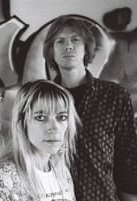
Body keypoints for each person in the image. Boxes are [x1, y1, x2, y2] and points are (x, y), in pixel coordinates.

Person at [43, 15, 137, 201]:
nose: (68, 46)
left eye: (75, 40)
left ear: (86, 48)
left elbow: (127, 159)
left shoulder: (115, 96)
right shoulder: (41, 101)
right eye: (60, 41)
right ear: (51, 51)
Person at [0, 79, 81, 201]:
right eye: (41, 117)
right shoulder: (4, 177)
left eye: (62, 117)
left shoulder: (62, 172)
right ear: (22, 123)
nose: (54, 128)